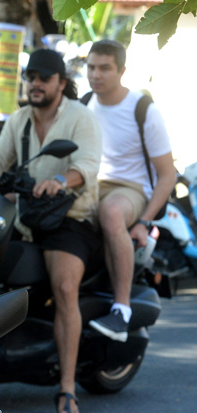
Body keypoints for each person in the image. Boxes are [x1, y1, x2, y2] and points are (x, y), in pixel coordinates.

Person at [0, 49, 102, 413]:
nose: (35, 83)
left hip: (69, 219)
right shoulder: (18, 119)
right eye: (30, 76)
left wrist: (60, 181)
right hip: (26, 219)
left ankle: (67, 388)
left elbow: (87, 165)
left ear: (61, 83)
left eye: (43, 77)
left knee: (65, 288)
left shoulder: (81, 118)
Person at [84, 39, 177, 342]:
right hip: (91, 186)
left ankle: (121, 311)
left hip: (130, 189)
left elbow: (167, 175)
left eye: (104, 68)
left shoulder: (142, 109)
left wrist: (144, 221)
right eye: (91, 67)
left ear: (122, 70)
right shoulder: (85, 102)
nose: (95, 74)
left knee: (111, 212)